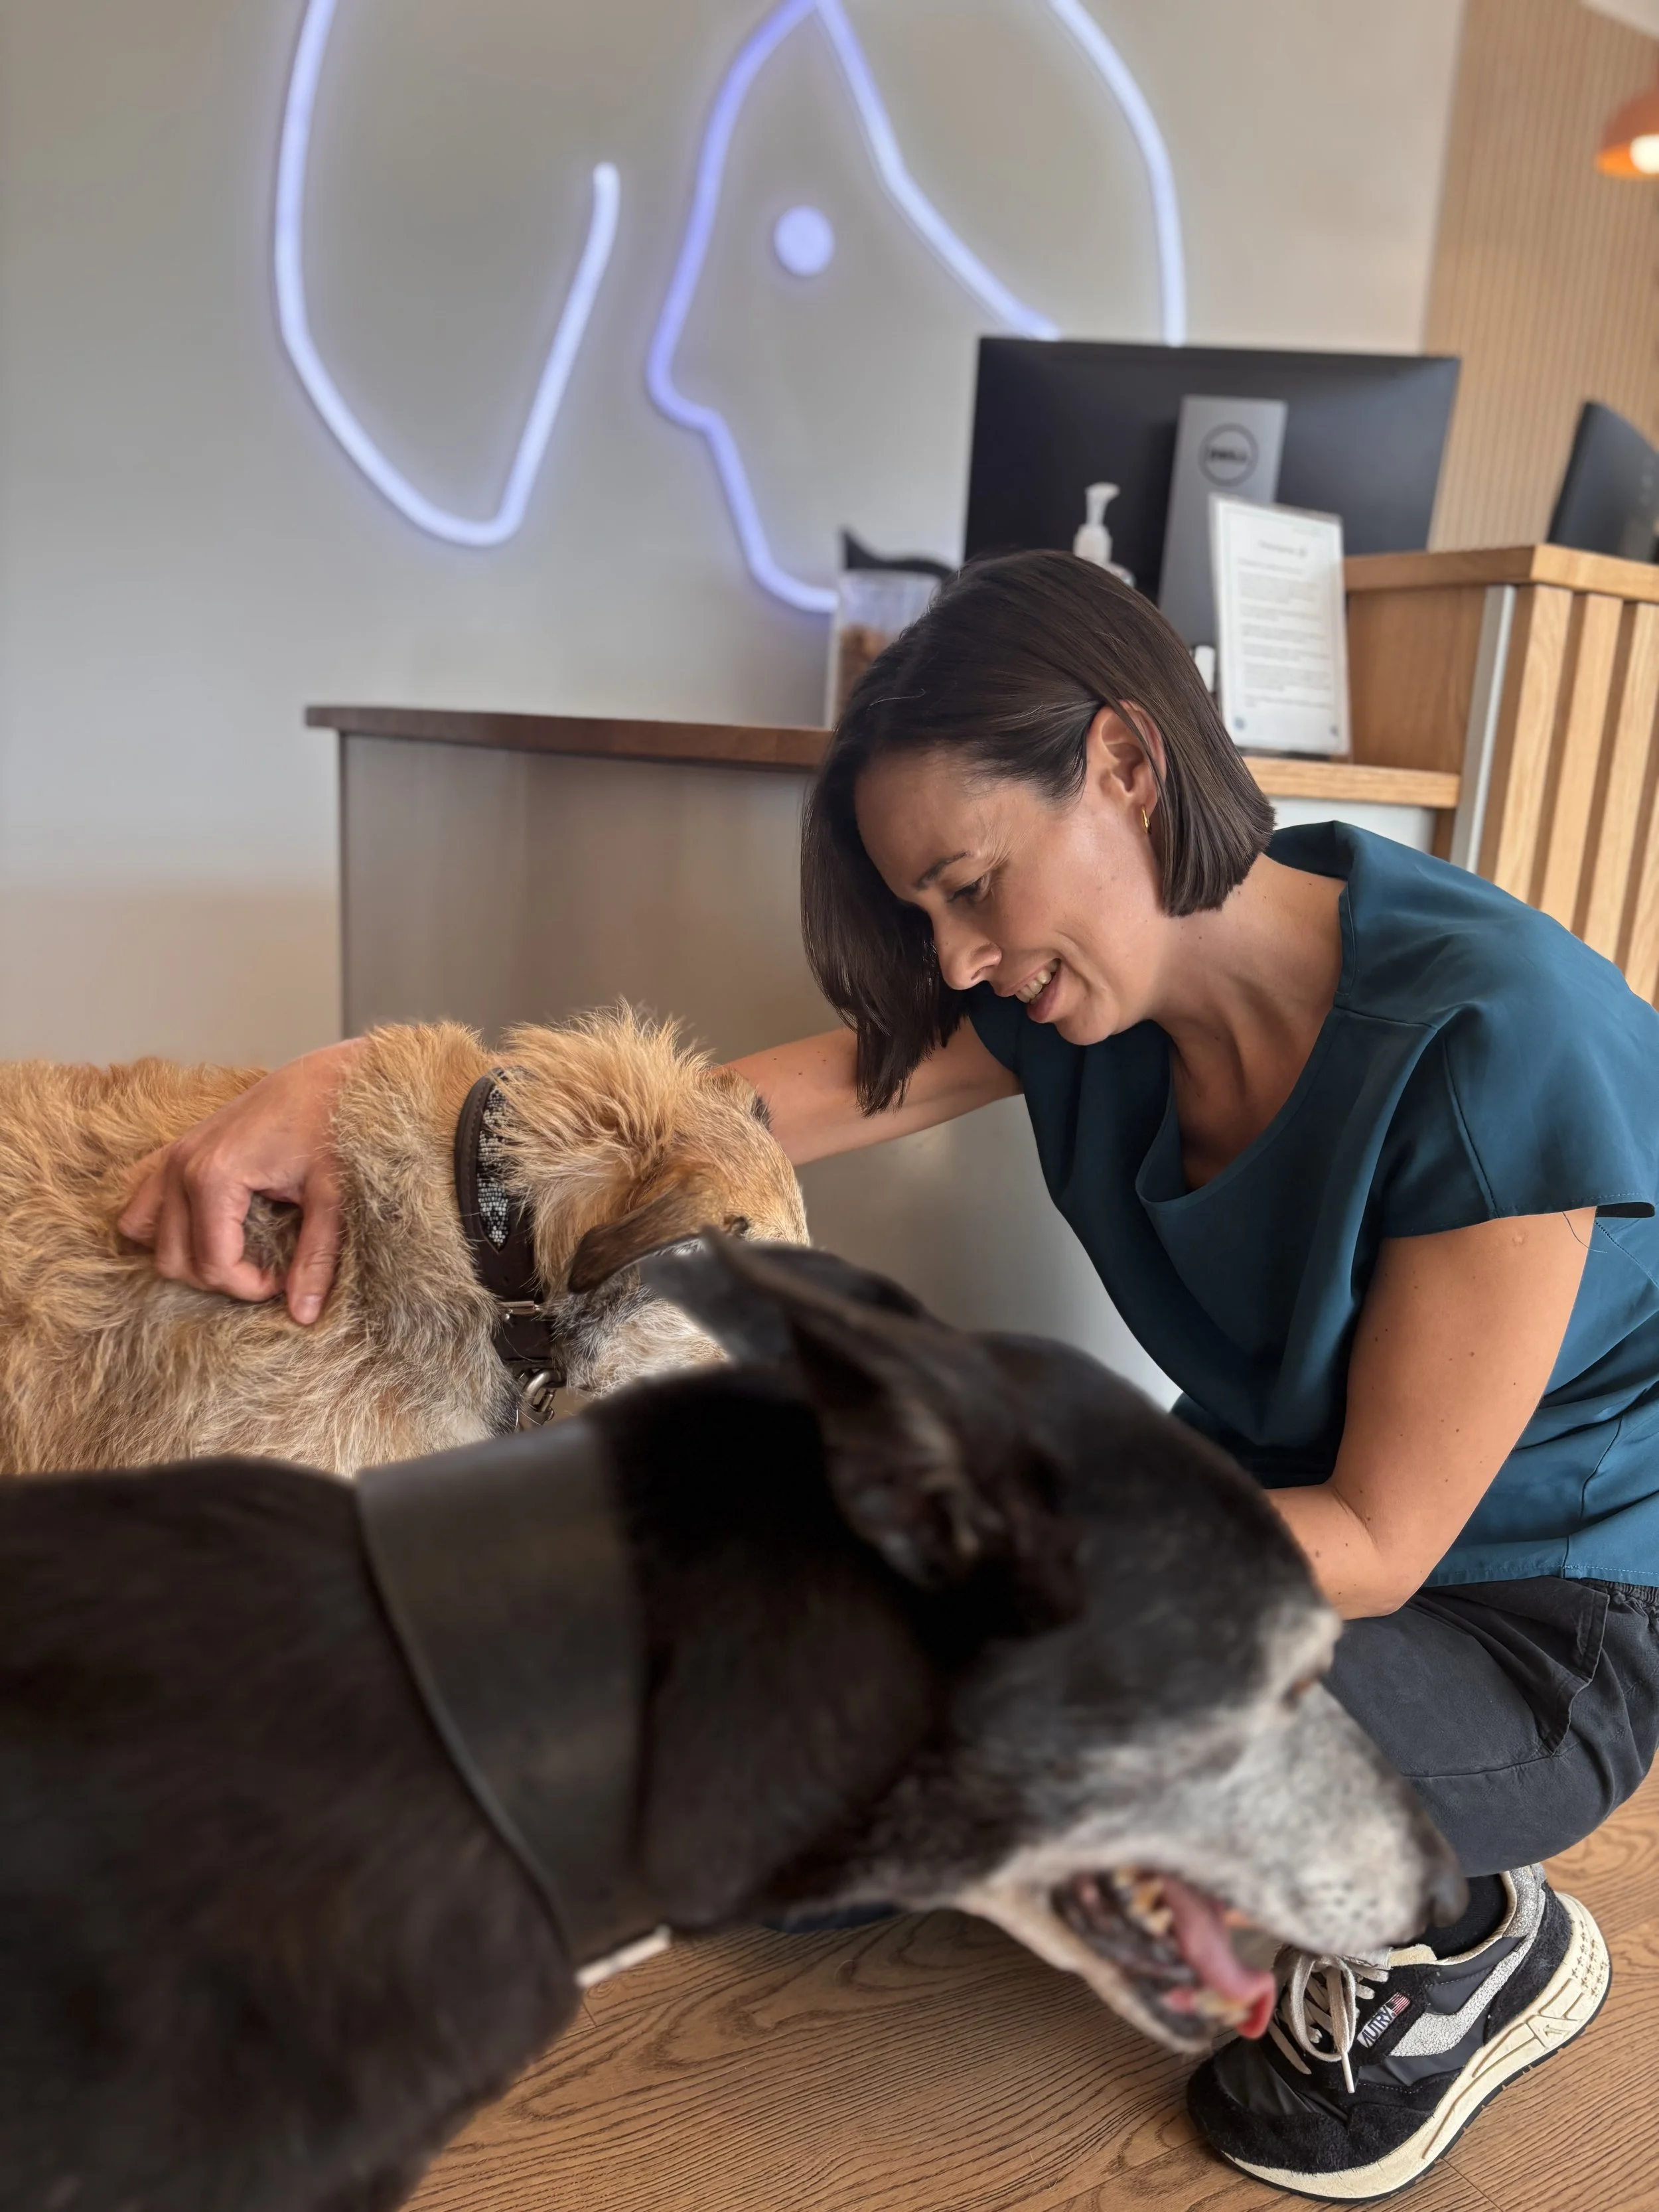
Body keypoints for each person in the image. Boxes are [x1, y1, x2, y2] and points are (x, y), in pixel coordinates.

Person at [121, 552, 1659, 2201]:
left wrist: (947, 1555)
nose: (962, 958)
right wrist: (355, 1084)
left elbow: (1376, 1535)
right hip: (1236, 1514)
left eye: (969, 885)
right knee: (778, 1840)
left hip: (1524, 1624)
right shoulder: (1081, 1003)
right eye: (925, 913)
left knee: (1020, 1692)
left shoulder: (1490, 1042)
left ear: (1125, 767)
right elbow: (707, 1117)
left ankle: (1469, 1935)